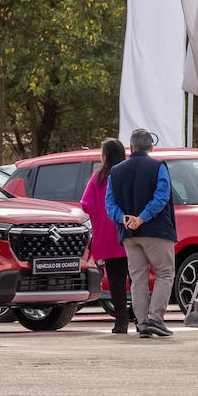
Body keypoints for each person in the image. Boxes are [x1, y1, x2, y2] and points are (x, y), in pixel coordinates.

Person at [106, 128, 176, 338]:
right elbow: (162, 196)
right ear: (151, 147)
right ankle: (156, 318)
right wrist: (142, 217)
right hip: (156, 230)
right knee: (164, 273)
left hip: (129, 234)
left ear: (131, 147)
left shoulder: (116, 171)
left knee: (138, 278)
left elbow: (109, 204)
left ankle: (143, 323)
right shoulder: (158, 167)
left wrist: (125, 218)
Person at [80, 138, 131, 334]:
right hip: (131, 232)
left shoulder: (99, 178)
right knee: (137, 277)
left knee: (116, 281)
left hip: (109, 237)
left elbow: (86, 205)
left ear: (106, 156)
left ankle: (121, 321)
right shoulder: (128, 175)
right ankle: (141, 316)